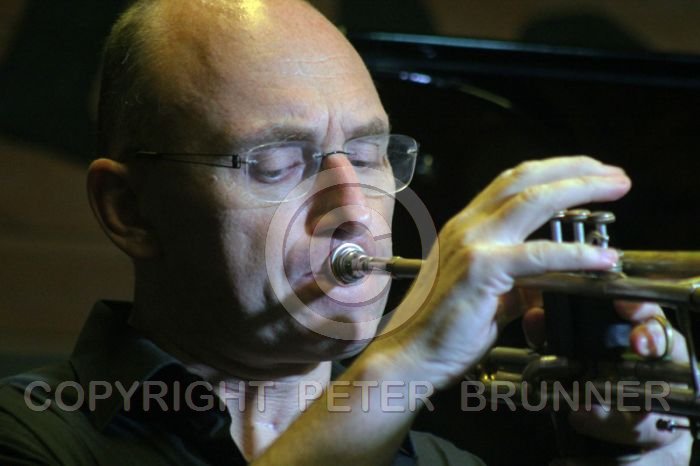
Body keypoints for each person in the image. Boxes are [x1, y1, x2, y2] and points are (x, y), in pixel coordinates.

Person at [0, 0, 692, 464]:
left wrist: (631, 457)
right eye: (276, 163)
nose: (355, 209)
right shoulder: (29, 435)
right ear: (128, 209)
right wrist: (406, 357)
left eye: (367, 155)